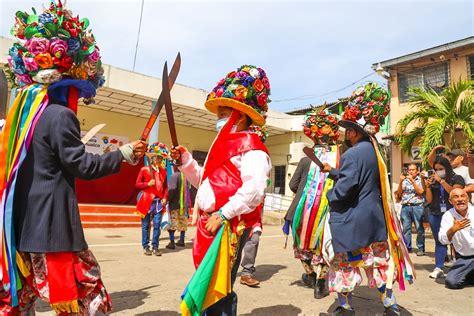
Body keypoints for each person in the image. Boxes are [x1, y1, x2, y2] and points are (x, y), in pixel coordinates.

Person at [0, 1, 147, 313]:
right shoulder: (60, 117)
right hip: (54, 231)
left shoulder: (24, 123)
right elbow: (82, 165)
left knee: (23, 297)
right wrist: (121, 154)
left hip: (24, 227)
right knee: (83, 294)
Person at [176, 65, 272, 316]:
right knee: (207, 285)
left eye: (223, 113)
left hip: (226, 227)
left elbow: (254, 190)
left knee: (220, 288)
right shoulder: (221, 146)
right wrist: (186, 162)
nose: (218, 119)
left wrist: (223, 214)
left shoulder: (252, 148)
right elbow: (206, 183)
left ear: (239, 116)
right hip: (209, 225)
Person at [320, 83, 413, 316]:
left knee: (344, 265)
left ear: (353, 131)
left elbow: (345, 189)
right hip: (374, 220)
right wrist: (333, 171)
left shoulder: (352, 154)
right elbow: (362, 179)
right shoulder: (375, 152)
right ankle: (390, 305)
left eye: (347, 131)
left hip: (352, 223)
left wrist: (330, 194)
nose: (345, 135)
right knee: (378, 263)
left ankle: (345, 307)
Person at [284, 109, 340, 299]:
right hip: (326, 213)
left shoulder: (305, 160)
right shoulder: (336, 161)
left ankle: (310, 275)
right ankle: (320, 284)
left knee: (302, 246)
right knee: (322, 247)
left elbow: (293, 185)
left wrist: (304, 193)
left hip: (301, 212)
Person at [425, 156, 465, 279]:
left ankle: (462, 266)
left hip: (453, 214)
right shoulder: (434, 180)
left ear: (447, 167)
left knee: (458, 240)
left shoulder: (456, 178)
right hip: (436, 213)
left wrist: (442, 181)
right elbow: (429, 200)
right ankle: (439, 267)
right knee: (440, 240)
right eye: (436, 169)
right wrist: (427, 186)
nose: (438, 172)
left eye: (441, 169)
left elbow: (455, 193)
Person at [239, 125, 268, 288]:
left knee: (253, 239)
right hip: (236, 209)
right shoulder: (238, 157)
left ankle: (247, 272)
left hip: (255, 210)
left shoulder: (261, 158)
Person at [135, 142, 169, 256]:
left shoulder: (164, 172)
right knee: (145, 226)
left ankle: (155, 246)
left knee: (157, 225)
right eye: (156, 158)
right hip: (146, 201)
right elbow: (137, 184)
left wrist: (165, 198)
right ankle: (145, 246)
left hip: (158, 202)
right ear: (152, 158)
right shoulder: (144, 169)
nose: (158, 160)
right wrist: (147, 183)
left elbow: (165, 187)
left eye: (160, 158)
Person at [439, 188, 474, 289]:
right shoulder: (448, 216)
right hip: (464, 258)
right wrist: (453, 230)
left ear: (467, 199)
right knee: (451, 282)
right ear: (450, 201)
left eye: (462, 196)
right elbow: (443, 240)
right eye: (456, 197)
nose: (460, 199)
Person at [397, 164, 426, 255]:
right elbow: (399, 193)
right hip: (406, 206)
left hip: (417, 206)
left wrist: (412, 181)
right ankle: (407, 248)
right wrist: (401, 181)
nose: (410, 171)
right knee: (406, 228)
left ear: (417, 171)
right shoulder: (404, 180)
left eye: (413, 170)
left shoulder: (420, 179)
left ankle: (420, 248)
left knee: (419, 228)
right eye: (409, 170)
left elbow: (421, 192)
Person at [166, 167, 192, 249]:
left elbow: (172, 190)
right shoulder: (186, 177)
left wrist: (167, 199)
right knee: (182, 223)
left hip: (175, 204)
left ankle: (172, 242)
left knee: (172, 224)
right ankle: (181, 240)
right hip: (184, 205)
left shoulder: (174, 176)